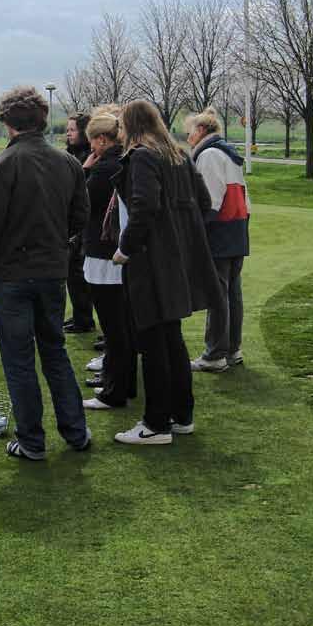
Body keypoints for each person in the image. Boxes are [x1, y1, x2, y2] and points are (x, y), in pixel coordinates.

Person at [0, 86, 91, 460]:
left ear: (7, 123)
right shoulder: (67, 163)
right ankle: (76, 432)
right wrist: (58, 248)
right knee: (55, 352)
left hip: (12, 278)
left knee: (20, 360)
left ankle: (32, 441)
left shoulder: (2, 166)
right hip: (51, 273)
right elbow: (79, 218)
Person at [110, 100, 221, 446]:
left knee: (154, 342)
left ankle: (156, 422)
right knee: (171, 340)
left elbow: (144, 206)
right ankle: (180, 415)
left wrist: (125, 248)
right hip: (177, 260)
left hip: (151, 262)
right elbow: (204, 204)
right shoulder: (178, 155)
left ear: (129, 125)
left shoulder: (143, 155)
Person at [79, 108, 138, 412]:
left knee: (114, 329)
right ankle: (123, 384)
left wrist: (85, 171)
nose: (90, 147)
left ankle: (114, 391)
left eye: (92, 141)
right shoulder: (125, 162)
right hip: (116, 253)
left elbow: (82, 205)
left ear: (102, 140)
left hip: (103, 255)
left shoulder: (105, 169)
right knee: (121, 326)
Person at [185, 107, 250, 371]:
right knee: (231, 292)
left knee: (218, 293)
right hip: (236, 228)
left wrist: (195, 232)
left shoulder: (210, 155)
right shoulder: (227, 153)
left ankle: (215, 354)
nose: (187, 137)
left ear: (201, 131)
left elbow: (209, 201)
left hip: (220, 231)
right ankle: (232, 349)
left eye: (190, 132)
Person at [64, 113, 96, 336]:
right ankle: (79, 315)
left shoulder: (90, 157)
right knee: (73, 273)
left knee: (78, 272)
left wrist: (83, 170)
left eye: (72, 129)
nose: (68, 133)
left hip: (85, 224)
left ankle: (84, 319)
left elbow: (82, 191)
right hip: (72, 223)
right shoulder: (71, 155)